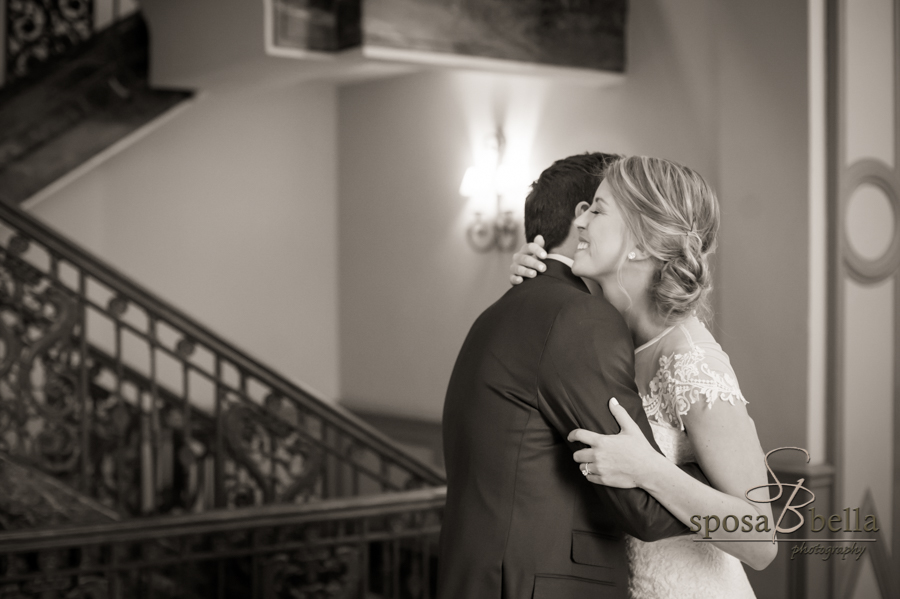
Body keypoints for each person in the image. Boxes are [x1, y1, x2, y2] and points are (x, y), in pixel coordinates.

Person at [438, 152, 711, 599]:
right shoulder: (577, 318)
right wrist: (735, 494)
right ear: (580, 216)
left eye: (604, 211)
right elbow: (641, 508)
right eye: (595, 208)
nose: (588, 223)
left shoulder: (505, 309)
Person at [509, 155, 776, 597]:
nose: (580, 222)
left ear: (640, 243)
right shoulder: (601, 332)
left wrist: (647, 469)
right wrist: (530, 283)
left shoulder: (693, 361)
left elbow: (760, 539)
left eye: (596, 209)